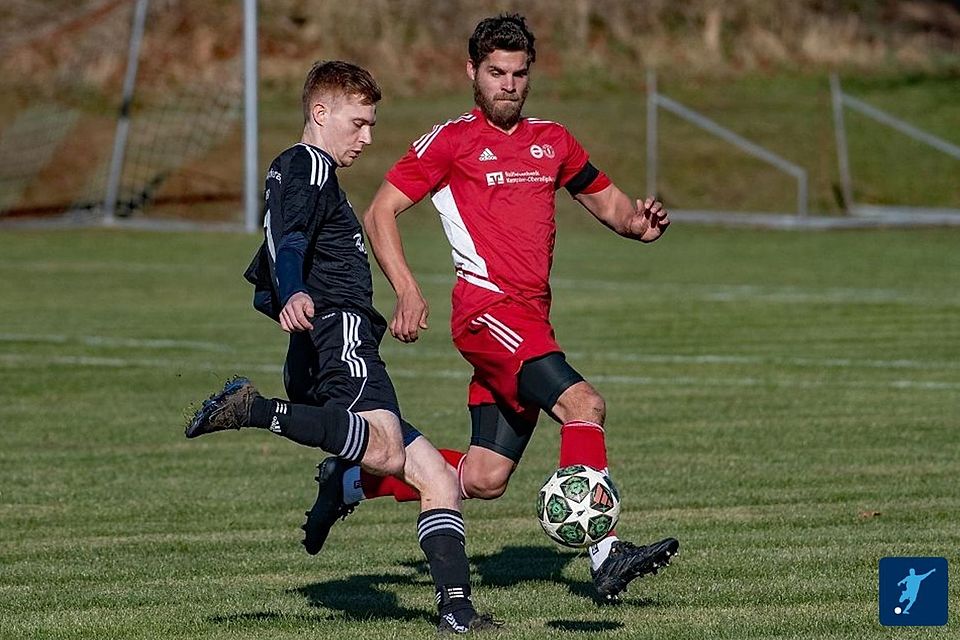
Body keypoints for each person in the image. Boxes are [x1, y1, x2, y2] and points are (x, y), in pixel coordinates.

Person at [305, 14, 679, 603]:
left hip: (532, 318)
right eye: (495, 72)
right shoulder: (450, 142)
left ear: (530, 76)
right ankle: (607, 556)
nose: (508, 83)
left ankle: (351, 480)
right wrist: (406, 288)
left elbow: (612, 206)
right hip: (487, 314)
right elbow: (380, 211)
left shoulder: (553, 141)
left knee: (483, 479)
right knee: (585, 405)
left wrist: (640, 224)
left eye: (518, 73)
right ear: (473, 74)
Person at [184, 60, 497, 634]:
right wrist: (295, 290)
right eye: (358, 123)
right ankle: (253, 409)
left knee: (436, 477)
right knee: (383, 453)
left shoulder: (319, 173)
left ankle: (456, 611)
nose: (367, 138)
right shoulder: (304, 163)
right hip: (338, 330)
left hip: (330, 336)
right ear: (320, 113)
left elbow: (291, 232)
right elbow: (287, 233)